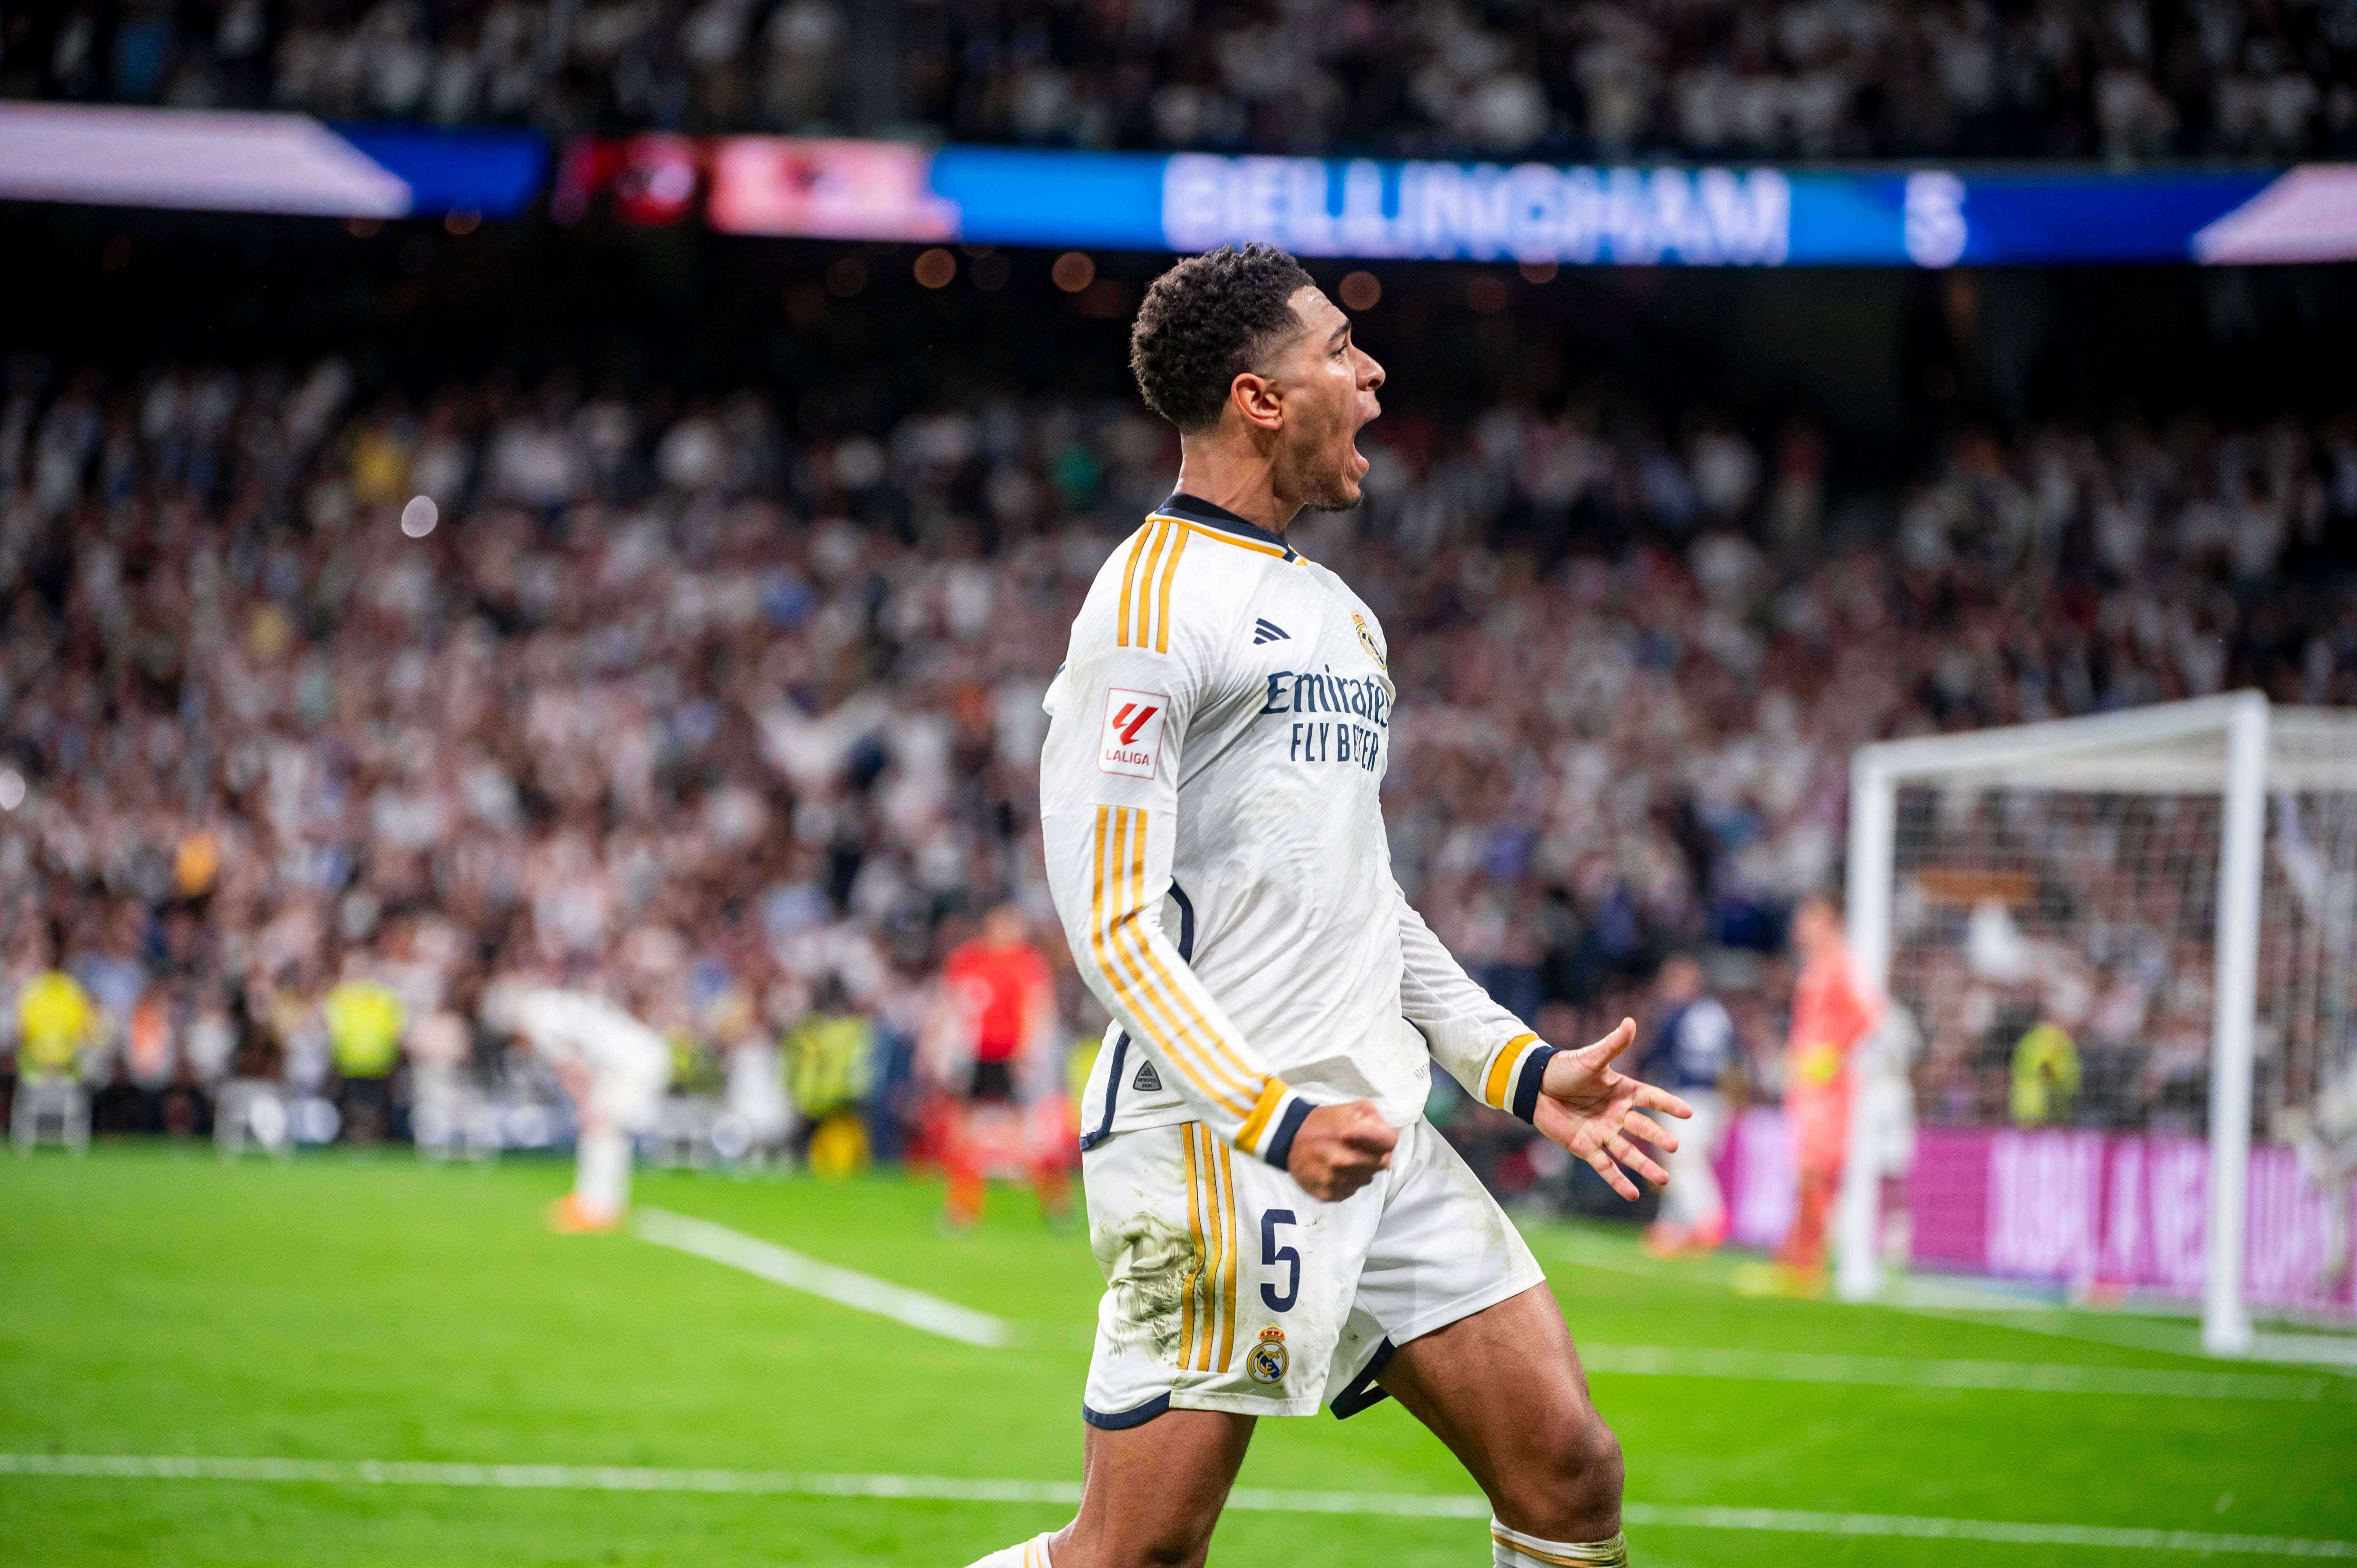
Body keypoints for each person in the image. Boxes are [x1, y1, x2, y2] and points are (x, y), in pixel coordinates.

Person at [966, 244, 1689, 1568]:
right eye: (1337, 353)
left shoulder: (1339, 615)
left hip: (1365, 1123)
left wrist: (1515, 1070)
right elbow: (1112, 923)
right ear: (1258, 397)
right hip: (1218, 1135)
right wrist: (1272, 1117)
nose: (1369, 375)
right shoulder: (1144, 606)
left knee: (1568, 1475)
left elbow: (1358, 897)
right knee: (1134, 1552)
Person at [486, 976, 673, 1232]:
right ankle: (599, 1204)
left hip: (635, 1064)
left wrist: (583, 1104)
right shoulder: (548, 1003)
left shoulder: (537, 1019)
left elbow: (572, 1069)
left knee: (600, 1127)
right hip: (638, 1057)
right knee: (604, 1129)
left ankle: (596, 1208)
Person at [933, 904, 1071, 1229]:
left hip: (1013, 1057)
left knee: (1027, 1136)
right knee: (963, 1133)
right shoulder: (968, 960)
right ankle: (962, 1209)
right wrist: (942, 1048)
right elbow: (950, 1004)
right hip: (977, 1056)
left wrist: (1031, 1053)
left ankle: (1057, 1204)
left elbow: (1038, 1009)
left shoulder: (1026, 963)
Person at [1769, 894, 1879, 1294]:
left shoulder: (1838, 964)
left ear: (1828, 920)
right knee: (1806, 1173)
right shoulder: (1816, 966)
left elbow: (1869, 1015)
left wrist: (1830, 1053)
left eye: (1808, 918)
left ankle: (1805, 1264)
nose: (1800, 927)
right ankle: (1796, 1258)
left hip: (1828, 1090)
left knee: (1815, 1173)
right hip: (1808, 1086)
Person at [1635, 954, 1735, 1258]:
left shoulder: (1677, 1015)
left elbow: (1654, 1057)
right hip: (1714, 1099)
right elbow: (1734, 1062)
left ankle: (1710, 1219)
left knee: (1684, 1164)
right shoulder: (1719, 1014)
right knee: (1681, 1163)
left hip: (1685, 1098)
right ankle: (1671, 1228)